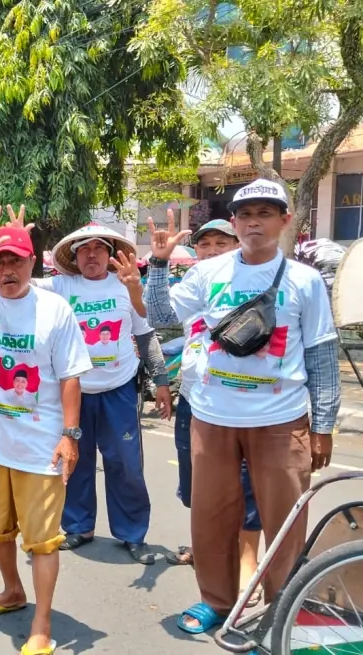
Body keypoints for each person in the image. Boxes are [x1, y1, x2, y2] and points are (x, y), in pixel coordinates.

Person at [143, 179, 340, 633]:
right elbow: (161, 317)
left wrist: (323, 425)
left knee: (284, 521)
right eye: (246, 213)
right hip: (212, 418)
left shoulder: (305, 281)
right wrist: (157, 262)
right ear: (235, 221)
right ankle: (215, 599)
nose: (254, 221)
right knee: (211, 517)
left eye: (266, 213)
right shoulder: (208, 274)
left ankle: (279, 607)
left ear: (285, 221)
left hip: (280, 420)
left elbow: (322, 355)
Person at [0, 207, 92, 655]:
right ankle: (12, 590)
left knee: (43, 541)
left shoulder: (54, 308)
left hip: (39, 449)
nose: (8, 270)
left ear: (34, 263)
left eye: (17, 261)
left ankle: (42, 624)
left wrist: (70, 434)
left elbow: (71, 376)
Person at [117, 218, 264, 605]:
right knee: (197, 488)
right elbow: (155, 315)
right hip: (195, 401)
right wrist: (148, 275)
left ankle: (248, 564)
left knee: (246, 487)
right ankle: (207, 551)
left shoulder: (250, 283)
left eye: (221, 242)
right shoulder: (194, 286)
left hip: (241, 404)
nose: (212, 250)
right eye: (205, 244)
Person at [33, 219, 171, 564]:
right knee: (75, 462)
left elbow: (146, 332)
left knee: (125, 464)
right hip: (74, 393)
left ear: (111, 255)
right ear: (74, 257)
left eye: (99, 249)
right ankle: (78, 526)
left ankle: (133, 533)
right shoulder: (62, 287)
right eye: (84, 250)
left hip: (118, 391)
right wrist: (21, 240)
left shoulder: (126, 285)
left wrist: (162, 381)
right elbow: (20, 283)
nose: (91, 255)